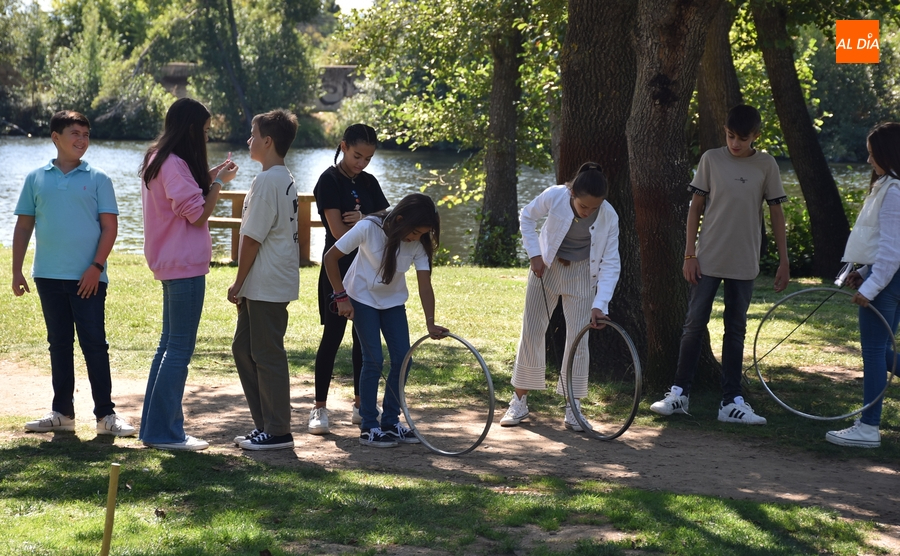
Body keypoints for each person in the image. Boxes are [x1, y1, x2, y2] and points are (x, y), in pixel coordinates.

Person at [650, 104, 789, 425]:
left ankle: (731, 401)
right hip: (706, 259)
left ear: (756, 136)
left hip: (745, 261)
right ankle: (679, 394)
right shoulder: (711, 159)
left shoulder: (767, 165)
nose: (735, 143)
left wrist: (784, 261)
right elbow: (694, 208)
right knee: (693, 327)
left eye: (742, 138)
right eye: (730, 136)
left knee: (735, 330)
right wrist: (689, 254)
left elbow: (776, 214)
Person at [12, 110, 136, 437]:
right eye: (75, 134)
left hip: (89, 278)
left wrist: (96, 268)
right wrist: (17, 270)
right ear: (56, 137)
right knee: (59, 344)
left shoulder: (99, 179)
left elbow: (110, 228)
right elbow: (24, 227)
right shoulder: (35, 178)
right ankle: (62, 413)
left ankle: (106, 416)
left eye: (86, 134)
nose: (82, 140)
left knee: (95, 344)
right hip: (48, 277)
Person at [139, 98, 238, 451]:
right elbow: (196, 214)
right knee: (179, 347)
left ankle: (154, 428)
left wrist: (212, 177)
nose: (208, 138)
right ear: (192, 129)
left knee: (168, 344)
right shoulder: (174, 164)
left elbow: (184, 194)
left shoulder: (159, 158)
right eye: (206, 131)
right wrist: (220, 185)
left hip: (171, 263)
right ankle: (166, 433)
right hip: (184, 266)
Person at [499, 162, 621, 431]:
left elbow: (611, 262)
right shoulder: (555, 195)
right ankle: (519, 401)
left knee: (578, 339)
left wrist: (600, 304)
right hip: (548, 268)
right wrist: (534, 254)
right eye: (583, 207)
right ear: (572, 194)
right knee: (532, 331)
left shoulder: (609, 216)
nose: (589, 212)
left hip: (582, 275)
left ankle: (572, 407)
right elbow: (527, 216)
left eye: (594, 208)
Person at [324, 193, 447, 448]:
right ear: (400, 219)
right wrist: (341, 296)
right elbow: (330, 258)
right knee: (374, 360)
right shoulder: (368, 227)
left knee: (403, 359)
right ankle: (369, 424)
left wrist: (431, 322)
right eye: (414, 232)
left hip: (393, 303)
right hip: (362, 299)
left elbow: (425, 285)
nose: (415, 238)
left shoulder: (418, 243)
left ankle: (391, 422)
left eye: (421, 234)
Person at [309, 124, 389, 435]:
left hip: (366, 271)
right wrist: (369, 222)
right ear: (343, 146)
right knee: (332, 337)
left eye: (368, 158)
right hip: (337, 270)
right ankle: (319, 408)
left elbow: (388, 222)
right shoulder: (328, 181)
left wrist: (367, 219)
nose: (361, 163)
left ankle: (360, 404)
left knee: (364, 338)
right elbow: (339, 235)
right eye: (357, 156)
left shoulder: (369, 182)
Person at [228, 109, 300, 451]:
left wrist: (238, 282)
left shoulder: (267, 180)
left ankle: (278, 430)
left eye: (253, 135)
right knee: (244, 349)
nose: (249, 140)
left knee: (267, 354)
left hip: (266, 283)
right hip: (266, 282)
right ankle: (266, 426)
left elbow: (252, 238)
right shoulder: (280, 176)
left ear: (268, 141)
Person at [825, 122, 900, 448]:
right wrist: (864, 270)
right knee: (884, 350)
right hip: (886, 277)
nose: (869, 161)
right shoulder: (889, 187)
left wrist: (869, 288)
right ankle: (868, 424)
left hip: (887, 283)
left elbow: (892, 252)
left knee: (872, 352)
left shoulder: (894, 191)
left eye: (872, 155)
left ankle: (868, 427)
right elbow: (884, 247)